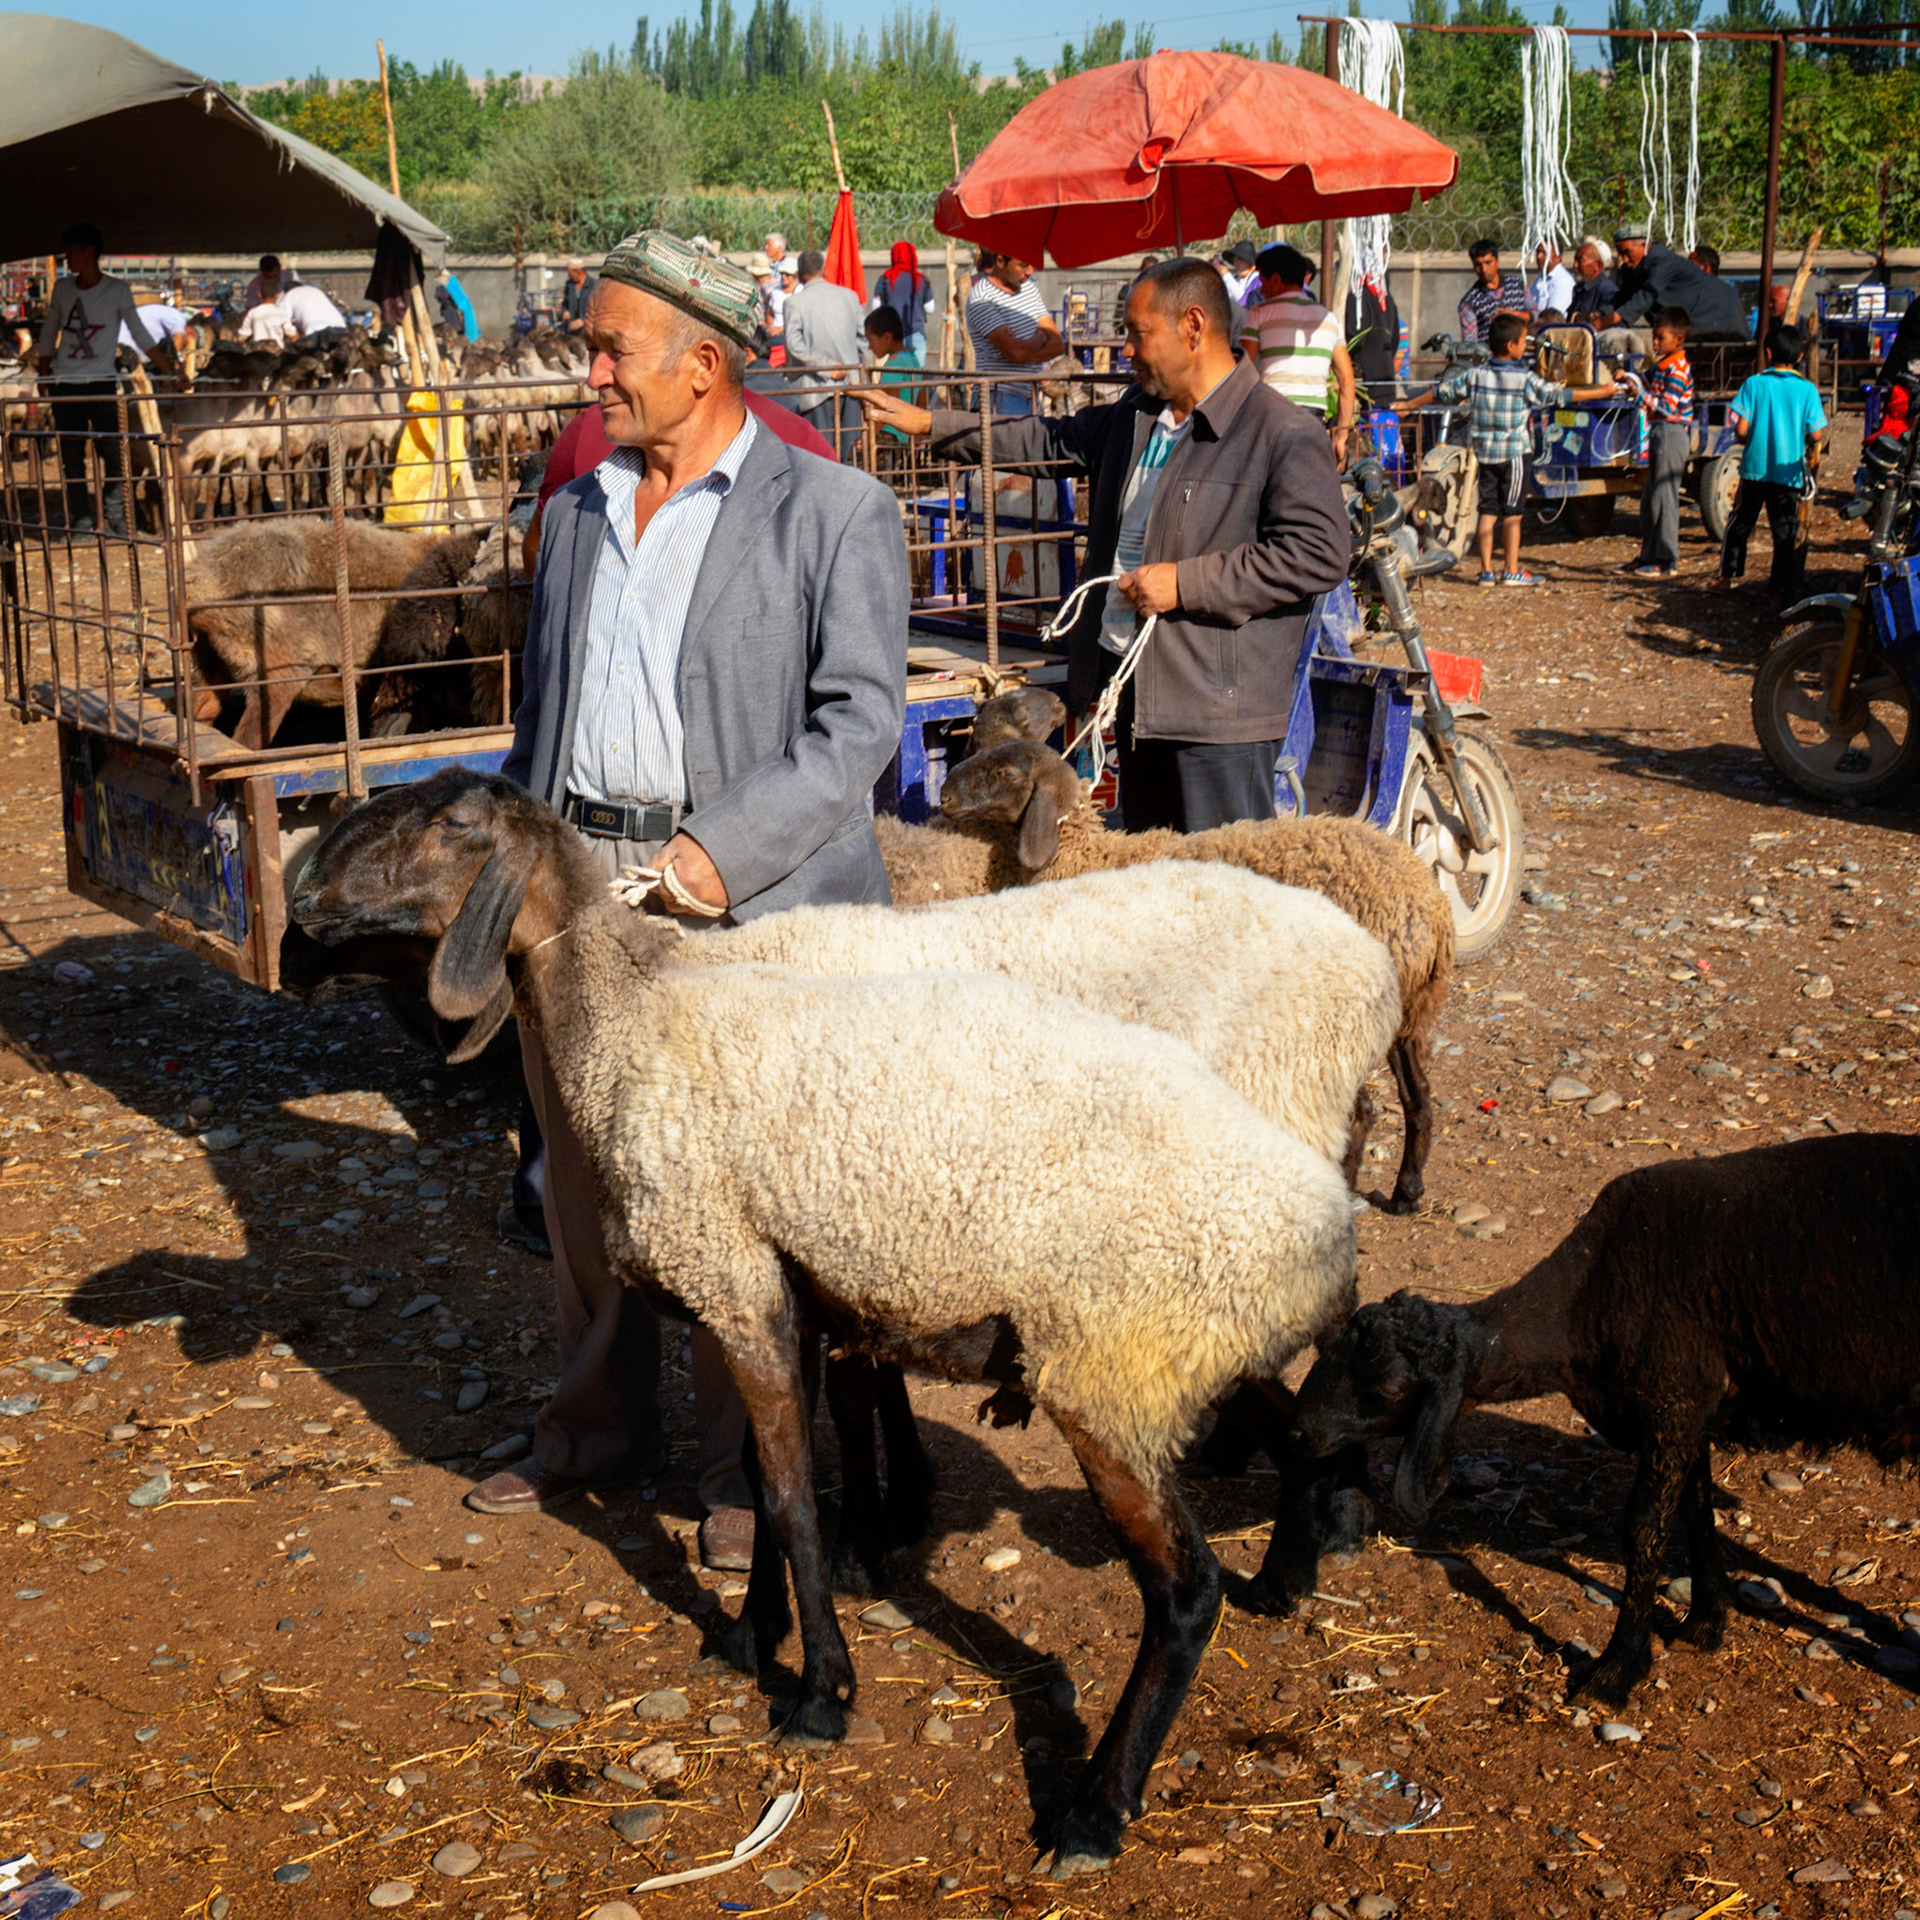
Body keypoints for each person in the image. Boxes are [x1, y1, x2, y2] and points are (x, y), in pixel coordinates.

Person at [476, 231, 908, 1580]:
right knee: (576, 1174)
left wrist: (718, 851)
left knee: (729, 1199)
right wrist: (509, 874)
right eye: (590, 346)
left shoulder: (832, 512)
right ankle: (594, 1429)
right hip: (582, 899)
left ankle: (741, 1469)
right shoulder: (580, 512)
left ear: (704, 365)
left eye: (611, 350)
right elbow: (541, 721)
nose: (589, 373)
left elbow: (860, 727)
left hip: (735, 904)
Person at [865, 256, 1350, 834]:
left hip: (1219, 717)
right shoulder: (1136, 414)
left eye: (1137, 333)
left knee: (1224, 894)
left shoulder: (1281, 432)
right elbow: (1043, 438)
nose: (1126, 349)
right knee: (1150, 882)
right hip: (1141, 695)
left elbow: (1318, 553)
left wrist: (1185, 583)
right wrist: (931, 425)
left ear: (1193, 327)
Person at [1393, 310, 1621, 587]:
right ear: (1511, 346)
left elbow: (1442, 391)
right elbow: (1558, 394)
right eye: (1524, 341)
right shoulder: (1524, 379)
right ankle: (1512, 570)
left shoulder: (1476, 375)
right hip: (1514, 455)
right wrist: (1601, 392)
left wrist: (1408, 406)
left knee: (1488, 512)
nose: (1526, 346)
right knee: (1513, 514)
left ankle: (1487, 571)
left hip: (1485, 454)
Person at [35, 222, 176, 537]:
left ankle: (117, 519)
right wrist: (44, 372)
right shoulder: (62, 289)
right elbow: (49, 331)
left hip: (101, 383)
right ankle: (82, 523)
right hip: (65, 384)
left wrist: (167, 367)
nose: (67, 258)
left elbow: (138, 330)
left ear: (89, 252)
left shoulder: (117, 290)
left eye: (71, 251)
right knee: (72, 459)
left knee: (113, 454)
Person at [1706, 323, 1826, 608]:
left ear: (1768, 352)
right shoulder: (1807, 390)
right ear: (1799, 358)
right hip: (1788, 473)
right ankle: (1777, 593)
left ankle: (1727, 577)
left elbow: (1742, 429)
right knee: (1783, 532)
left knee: (1740, 523)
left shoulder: (1754, 384)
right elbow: (1818, 433)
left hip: (1755, 469)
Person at [1239, 243, 1356, 467]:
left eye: (1262, 282)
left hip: (1271, 413)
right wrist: (1341, 435)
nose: (1260, 290)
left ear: (1275, 280)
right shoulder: (1329, 319)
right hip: (1312, 420)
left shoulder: (1259, 313)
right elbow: (1346, 381)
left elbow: (1244, 369)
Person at [1622, 306, 1695, 579]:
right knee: (1651, 498)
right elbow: (1644, 380)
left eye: (1660, 338)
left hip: (1671, 432)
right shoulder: (1662, 366)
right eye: (1654, 337)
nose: (1654, 343)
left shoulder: (1677, 369)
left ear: (1678, 340)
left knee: (1664, 496)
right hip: (1659, 432)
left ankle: (1666, 559)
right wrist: (1629, 379)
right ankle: (1648, 555)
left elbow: (1667, 407)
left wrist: (1639, 395)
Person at [783, 248, 869, 456]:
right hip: (852, 387)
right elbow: (864, 342)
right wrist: (862, 379)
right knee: (847, 458)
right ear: (822, 270)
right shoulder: (849, 297)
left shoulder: (794, 303)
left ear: (799, 275)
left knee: (820, 456)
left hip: (815, 390)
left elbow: (794, 345)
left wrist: (826, 368)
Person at [1602, 222, 1749, 342]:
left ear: (1644, 246)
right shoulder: (1631, 270)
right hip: (1693, 322)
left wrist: (1607, 320)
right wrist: (1595, 316)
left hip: (1723, 310)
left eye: (1628, 253)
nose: (1624, 260)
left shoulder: (1664, 263)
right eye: (1621, 254)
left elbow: (1645, 297)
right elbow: (1622, 300)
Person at [965, 250, 1062, 417]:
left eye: (1032, 264)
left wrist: (1024, 352)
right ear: (1001, 261)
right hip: (999, 398)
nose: (1030, 271)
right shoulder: (981, 299)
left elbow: (1057, 344)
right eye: (1023, 265)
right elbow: (1016, 353)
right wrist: (1039, 337)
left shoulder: (1029, 289)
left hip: (1030, 396)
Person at [862, 305, 921, 445]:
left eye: (871, 340)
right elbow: (921, 398)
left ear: (887, 337)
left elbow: (886, 404)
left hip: (889, 434)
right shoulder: (913, 360)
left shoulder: (893, 364)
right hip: (906, 435)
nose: (870, 347)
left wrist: (869, 437)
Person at [1457, 240, 1529, 344]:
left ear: (1497, 262)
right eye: (1478, 265)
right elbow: (1470, 342)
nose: (1484, 269)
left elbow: (1534, 316)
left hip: (1523, 355)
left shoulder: (1517, 285)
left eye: (1488, 262)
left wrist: (1511, 315)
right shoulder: (1469, 302)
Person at [872, 242, 934, 357]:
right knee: (916, 373)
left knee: (896, 373)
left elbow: (875, 307)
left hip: (892, 339)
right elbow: (930, 308)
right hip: (916, 334)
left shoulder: (885, 279)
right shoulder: (922, 279)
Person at [1345, 278, 1402, 390]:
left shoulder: (1357, 298)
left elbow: (1354, 338)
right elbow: (1395, 340)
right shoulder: (1388, 300)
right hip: (1386, 379)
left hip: (1363, 381)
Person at [281, 281, 349, 349]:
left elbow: (283, 320)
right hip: (340, 326)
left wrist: (293, 339)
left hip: (315, 330)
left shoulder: (289, 295)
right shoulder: (315, 290)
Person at [1568, 238, 1619, 320]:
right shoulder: (1579, 289)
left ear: (1597, 265)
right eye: (1575, 260)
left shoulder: (1607, 290)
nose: (1575, 265)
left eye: (1580, 260)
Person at [1529, 243, 1576, 320]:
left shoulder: (1562, 282)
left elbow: (1552, 318)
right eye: (1538, 252)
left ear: (1558, 257)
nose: (1539, 256)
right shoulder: (1541, 278)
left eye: (1544, 253)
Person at [1219, 240, 1260, 306]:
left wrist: (1227, 276)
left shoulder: (1256, 278)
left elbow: (1243, 301)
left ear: (1249, 262)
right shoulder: (1236, 278)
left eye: (1240, 259)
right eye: (1235, 259)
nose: (1236, 262)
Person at [558, 259, 594, 334]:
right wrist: (565, 311)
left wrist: (583, 320)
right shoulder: (569, 284)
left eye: (570, 274)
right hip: (571, 329)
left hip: (588, 331)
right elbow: (565, 303)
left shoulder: (594, 285)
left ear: (579, 272)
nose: (569, 276)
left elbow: (598, 309)